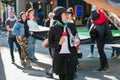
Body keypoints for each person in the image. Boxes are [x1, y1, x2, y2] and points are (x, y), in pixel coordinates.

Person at [48, 6, 80, 80]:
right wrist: (58, 43)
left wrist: (78, 40)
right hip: (60, 58)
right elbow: (50, 44)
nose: (67, 16)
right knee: (62, 78)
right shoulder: (53, 28)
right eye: (65, 14)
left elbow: (76, 36)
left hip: (71, 56)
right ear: (59, 16)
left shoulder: (71, 25)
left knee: (70, 77)